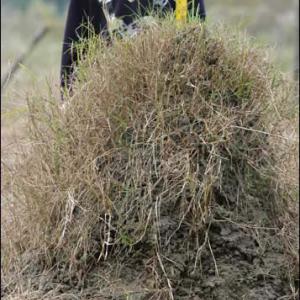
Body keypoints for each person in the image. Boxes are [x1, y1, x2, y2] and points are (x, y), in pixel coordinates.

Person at [60, 0, 206, 94]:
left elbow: (197, 40)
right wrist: (67, 99)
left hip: (172, 95)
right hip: (113, 101)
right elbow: (74, 50)